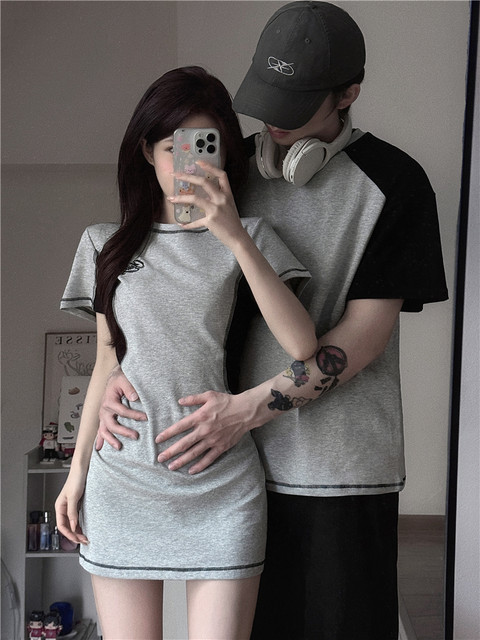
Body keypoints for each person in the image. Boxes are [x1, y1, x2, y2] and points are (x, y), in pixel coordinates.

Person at [96, 3, 449, 639]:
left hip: (335, 473)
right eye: (267, 99)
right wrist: (119, 375)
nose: (275, 121)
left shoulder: (395, 183)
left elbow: (363, 341)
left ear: (349, 94)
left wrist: (245, 411)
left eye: (297, 104)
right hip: (223, 470)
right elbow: (154, 288)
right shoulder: (221, 169)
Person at [55, 65, 318, 640]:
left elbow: (302, 346)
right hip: (123, 481)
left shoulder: (250, 236)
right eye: (172, 147)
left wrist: (233, 235)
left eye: (203, 146)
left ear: (224, 153)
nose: (187, 162)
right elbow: (107, 363)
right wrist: (75, 476)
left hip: (221, 485)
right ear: (146, 151)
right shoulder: (103, 244)